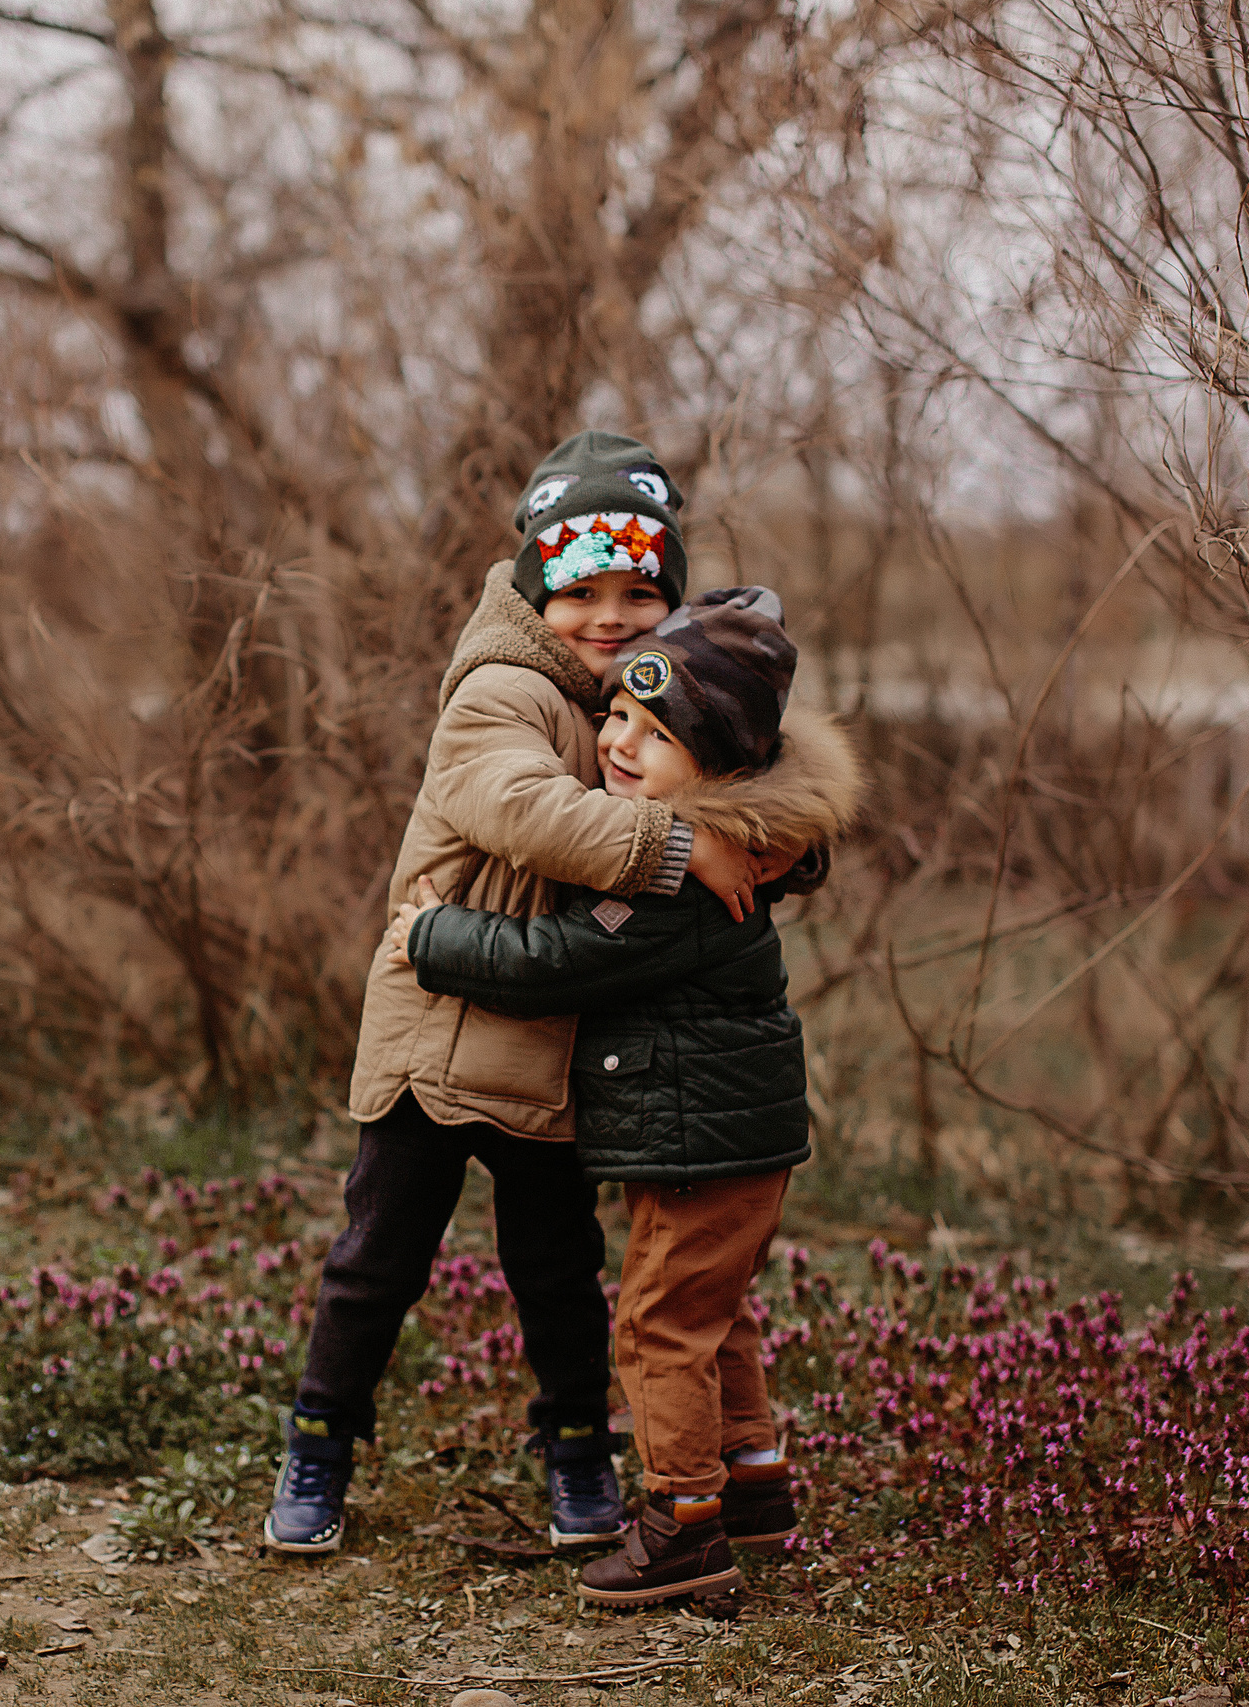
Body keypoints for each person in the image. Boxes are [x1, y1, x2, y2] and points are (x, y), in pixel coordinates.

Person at [264, 431, 762, 1557]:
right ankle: (318, 1441)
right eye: (582, 589)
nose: (611, 613)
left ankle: (578, 1448)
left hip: (555, 1040)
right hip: (436, 1034)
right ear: (538, 588)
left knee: (557, 1270)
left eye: (640, 590)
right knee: (377, 1260)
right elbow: (525, 814)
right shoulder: (499, 688)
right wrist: (680, 850)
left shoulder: (640, 698)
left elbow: (746, 774)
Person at [388, 586, 862, 1609]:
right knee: (713, 1318)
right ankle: (752, 1488)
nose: (618, 745)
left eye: (655, 735)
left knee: (658, 1328)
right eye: (617, 717)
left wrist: (433, 938)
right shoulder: (704, 846)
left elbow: (555, 961)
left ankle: (680, 1522)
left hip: (699, 1144)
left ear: (723, 768)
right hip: (722, 1138)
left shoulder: (676, 880)